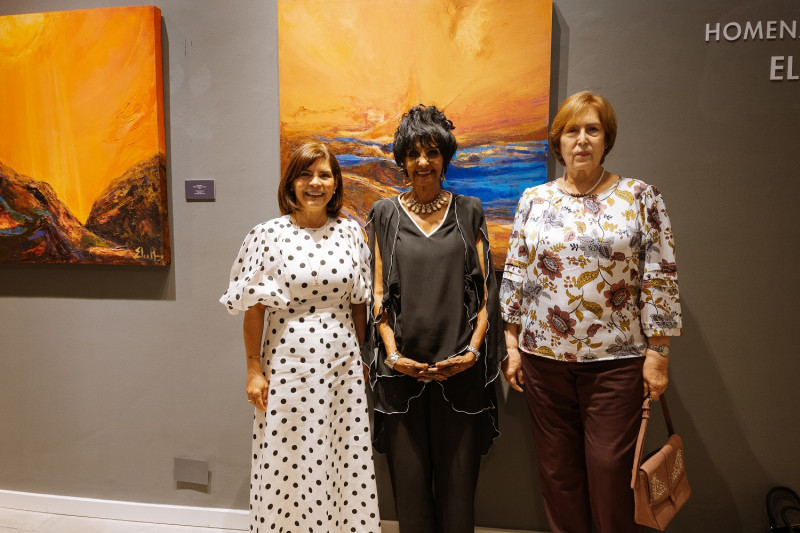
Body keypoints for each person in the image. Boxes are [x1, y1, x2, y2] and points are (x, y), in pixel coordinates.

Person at [500, 91, 682, 533]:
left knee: (610, 474)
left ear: (607, 139)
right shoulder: (534, 199)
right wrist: (511, 343)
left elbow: (660, 274)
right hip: (544, 361)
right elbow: (516, 270)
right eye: (571, 131)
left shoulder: (640, 197)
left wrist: (658, 353)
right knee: (558, 475)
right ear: (558, 141)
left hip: (616, 364)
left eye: (592, 130)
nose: (581, 140)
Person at [220, 141, 380, 533]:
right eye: (306, 174)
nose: (315, 183)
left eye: (324, 175)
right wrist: (253, 369)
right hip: (287, 364)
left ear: (336, 184)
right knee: (289, 455)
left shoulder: (350, 233)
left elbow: (359, 301)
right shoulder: (266, 235)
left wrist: (360, 355)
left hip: (341, 363)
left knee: (340, 452)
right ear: (291, 183)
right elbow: (253, 307)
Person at [363, 105, 504, 533]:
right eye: (414, 152)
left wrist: (472, 353)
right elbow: (377, 294)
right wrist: (391, 355)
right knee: (409, 488)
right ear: (402, 159)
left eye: (432, 152)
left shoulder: (469, 211)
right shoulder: (384, 214)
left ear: (445, 157)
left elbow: (486, 295)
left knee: (459, 489)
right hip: (401, 374)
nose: (423, 161)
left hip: (459, 373)